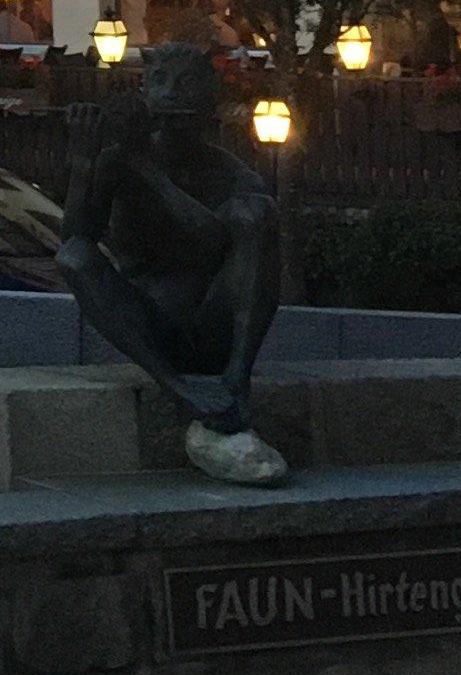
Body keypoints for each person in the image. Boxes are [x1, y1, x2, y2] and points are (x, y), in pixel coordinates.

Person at [54, 39, 289, 487]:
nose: (172, 94)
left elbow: (213, 242)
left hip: (213, 325)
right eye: (161, 81)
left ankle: (237, 377)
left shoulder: (231, 174)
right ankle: (176, 384)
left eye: (186, 84)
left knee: (257, 212)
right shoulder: (118, 163)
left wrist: (150, 174)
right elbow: (76, 240)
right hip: (151, 329)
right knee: (75, 258)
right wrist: (85, 163)